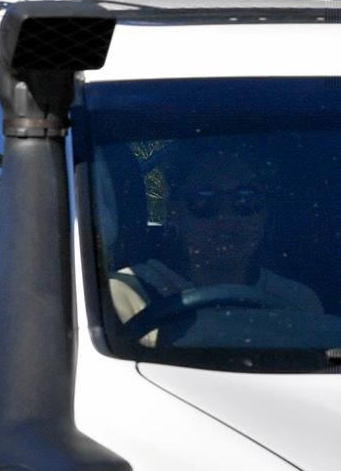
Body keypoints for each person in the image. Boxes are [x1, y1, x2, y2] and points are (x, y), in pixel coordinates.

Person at [110, 140, 323, 343]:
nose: (227, 218)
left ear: (264, 213)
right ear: (173, 211)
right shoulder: (127, 294)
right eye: (205, 200)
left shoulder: (298, 301)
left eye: (245, 199)